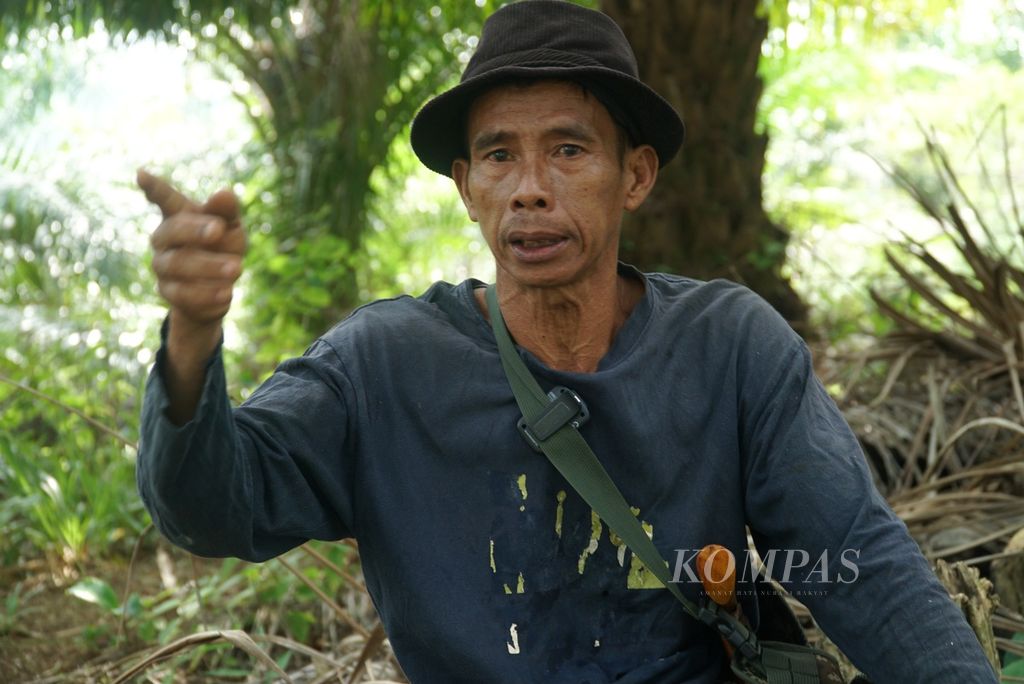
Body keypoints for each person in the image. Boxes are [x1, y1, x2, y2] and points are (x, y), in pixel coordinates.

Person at [136, 2, 997, 682]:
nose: (531, 190)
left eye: (569, 149)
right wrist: (194, 337)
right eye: (499, 157)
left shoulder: (729, 348)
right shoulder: (383, 365)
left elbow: (858, 561)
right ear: (468, 188)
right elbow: (212, 508)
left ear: (636, 175)